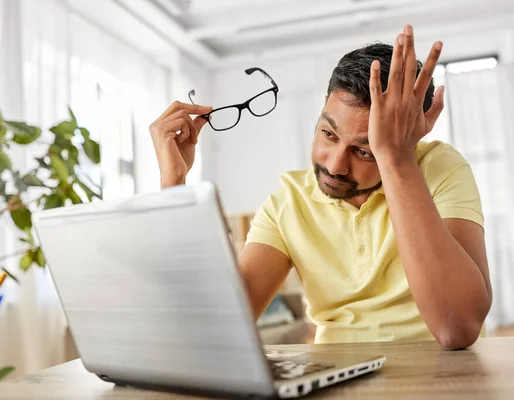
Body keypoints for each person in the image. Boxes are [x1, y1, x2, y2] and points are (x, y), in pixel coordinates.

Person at [149, 25, 492, 350]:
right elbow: (217, 332)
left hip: (436, 375)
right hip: (336, 376)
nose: (334, 165)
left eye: (363, 151)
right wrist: (174, 186)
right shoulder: (289, 202)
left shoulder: (438, 168)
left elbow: (457, 328)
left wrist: (397, 159)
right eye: (328, 134)